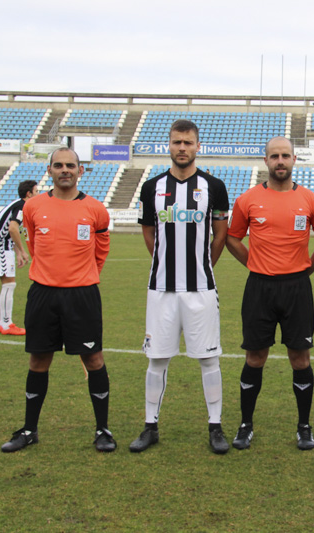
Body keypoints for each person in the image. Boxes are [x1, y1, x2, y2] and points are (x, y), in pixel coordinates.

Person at [1, 148, 115, 453]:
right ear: (49, 170)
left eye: (70, 165)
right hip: (43, 294)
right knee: (38, 360)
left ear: (80, 171)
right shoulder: (34, 206)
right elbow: (36, 243)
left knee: (93, 359)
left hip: (83, 295)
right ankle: (29, 430)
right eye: (58, 165)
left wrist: (86, 273)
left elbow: (101, 246)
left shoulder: (95, 209)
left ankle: (103, 430)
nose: (65, 170)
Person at [130, 119, 231, 455]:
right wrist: (165, 261)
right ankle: (150, 426)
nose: (182, 148)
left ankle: (215, 427)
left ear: (197, 146)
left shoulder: (214, 186)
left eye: (188, 143)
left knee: (209, 359)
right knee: (157, 359)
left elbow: (221, 234)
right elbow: (148, 232)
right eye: (177, 143)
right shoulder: (152, 187)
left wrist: (203, 266)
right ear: (169, 145)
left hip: (201, 288)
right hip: (161, 289)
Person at [226, 137, 314, 451]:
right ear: (266, 160)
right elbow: (233, 239)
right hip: (259, 288)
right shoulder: (248, 199)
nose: (280, 161)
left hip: (297, 288)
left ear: (294, 160)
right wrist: (254, 264)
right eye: (274, 156)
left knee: (300, 358)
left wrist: (306, 270)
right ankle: (245, 425)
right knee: (254, 357)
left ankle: (304, 426)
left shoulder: (311, 200)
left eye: (285, 155)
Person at [0, 180, 38, 335]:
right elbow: (13, 228)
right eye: (36, 191)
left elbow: (10, 231)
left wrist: (17, 252)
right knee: (9, 285)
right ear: (29, 194)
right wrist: (22, 250)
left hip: (4, 246)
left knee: (9, 285)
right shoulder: (22, 206)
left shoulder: (19, 205)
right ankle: (6, 324)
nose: (38, 194)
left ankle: (6, 323)